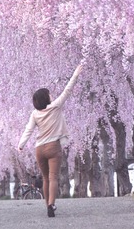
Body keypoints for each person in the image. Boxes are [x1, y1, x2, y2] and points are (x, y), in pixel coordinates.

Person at [18, 64, 83, 217]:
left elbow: (28, 129)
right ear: (46, 98)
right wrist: (75, 74)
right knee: (53, 177)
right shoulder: (55, 106)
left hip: (39, 149)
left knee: (46, 178)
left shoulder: (35, 114)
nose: (52, 96)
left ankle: (47, 204)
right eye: (50, 94)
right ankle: (51, 205)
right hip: (53, 147)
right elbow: (68, 90)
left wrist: (21, 144)